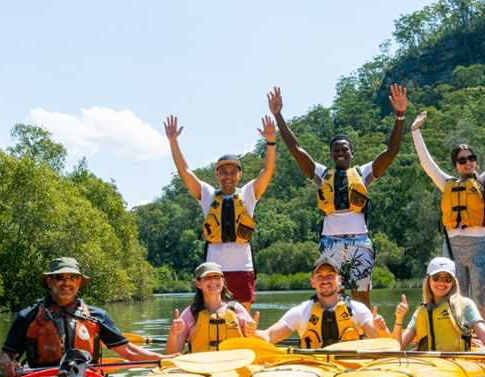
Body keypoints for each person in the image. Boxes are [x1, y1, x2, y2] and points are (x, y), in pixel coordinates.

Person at [267, 85, 408, 308]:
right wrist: (278, 115)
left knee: (361, 297)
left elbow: (391, 151)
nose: (340, 153)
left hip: (359, 242)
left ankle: (363, 337)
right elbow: (296, 149)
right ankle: (337, 337)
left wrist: (400, 115)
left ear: (352, 152)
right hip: (330, 243)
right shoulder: (323, 175)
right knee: (333, 297)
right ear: (332, 154)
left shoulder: (363, 173)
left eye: (344, 150)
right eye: (336, 151)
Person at [410, 107, 485, 325]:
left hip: (480, 246)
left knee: (480, 301)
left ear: (476, 161)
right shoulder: (446, 184)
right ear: (455, 165)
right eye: (462, 160)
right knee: (456, 300)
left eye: (471, 158)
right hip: (453, 249)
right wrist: (415, 131)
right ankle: (460, 338)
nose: (467, 162)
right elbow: (426, 164)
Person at [163, 114, 277, 311]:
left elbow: (268, 170)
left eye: (233, 172)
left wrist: (270, 141)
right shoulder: (207, 195)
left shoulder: (249, 193)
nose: (228, 176)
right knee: (213, 316)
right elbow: (185, 171)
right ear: (216, 174)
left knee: (242, 318)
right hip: (213, 269)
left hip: (243, 267)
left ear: (240, 174)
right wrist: (173, 141)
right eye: (223, 172)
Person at [0, 257, 169, 377]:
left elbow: (128, 351)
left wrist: (163, 360)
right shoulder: (28, 316)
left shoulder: (97, 316)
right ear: (49, 282)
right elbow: (5, 356)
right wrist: (7, 365)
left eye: (73, 277)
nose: (67, 282)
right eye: (60, 277)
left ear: (79, 282)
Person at [251, 256, 390, 347]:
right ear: (313, 282)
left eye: (330, 275)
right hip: (314, 371)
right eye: (320, 276)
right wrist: (252, 333)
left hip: (349, 373)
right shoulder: (300, 312)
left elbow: (384, 343)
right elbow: (269, 336)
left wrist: (382, 330)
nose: (325, 280)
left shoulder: (358, 309)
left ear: (339, 280)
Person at [392, 257, 485, 352]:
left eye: (447, 279)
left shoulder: (465, 305)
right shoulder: (421, 312)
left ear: (453, 282)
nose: (441, 283)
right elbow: (398, 347)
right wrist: (399, 319)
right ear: (428, 281)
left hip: (458, 365)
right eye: (436, 278)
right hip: (427, 368)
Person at [165, 262, 258, 354]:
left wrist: (252, 334)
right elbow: (172, 353)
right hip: (201, 366)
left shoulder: (237, 309)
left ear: (223, 281)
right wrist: (173, 334)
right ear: (198, 283)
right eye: (207, 278)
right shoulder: (191, 313)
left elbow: (254, 345)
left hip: (234, 364)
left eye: (217, 277)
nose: (213, 281)